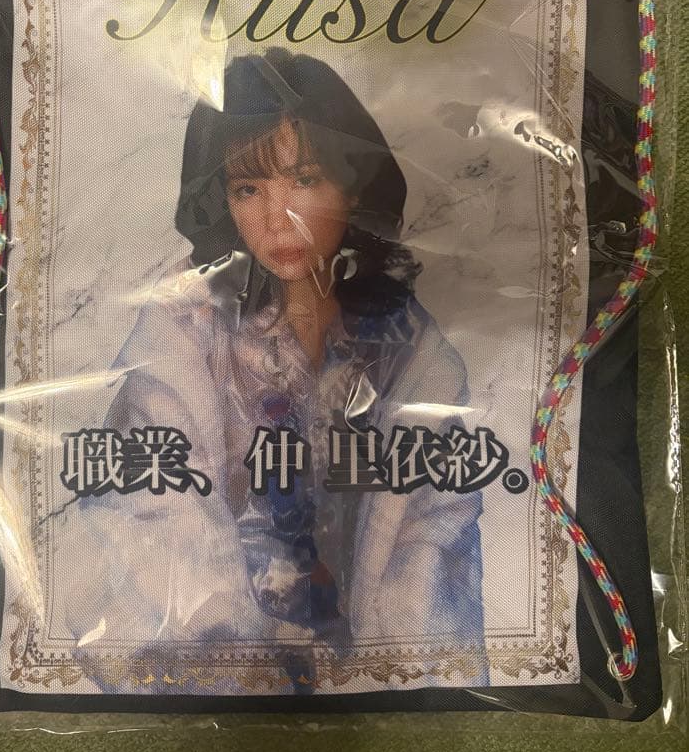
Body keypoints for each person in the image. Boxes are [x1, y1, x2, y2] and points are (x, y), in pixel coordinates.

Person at [63, 48, 487, 695]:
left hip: (365, 670)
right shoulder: (185, 326)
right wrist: (239, 662)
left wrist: (387, 662)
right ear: (222, 200)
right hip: (221, 663)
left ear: (353, 186)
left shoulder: (412, 350)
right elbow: (154, 504)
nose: (276, 217)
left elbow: (436, 526)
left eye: (305, 180)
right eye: (248, 189)